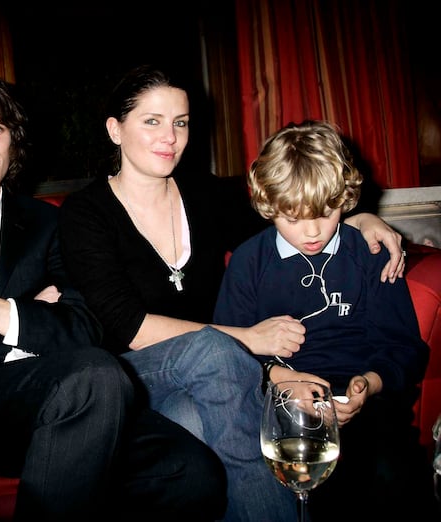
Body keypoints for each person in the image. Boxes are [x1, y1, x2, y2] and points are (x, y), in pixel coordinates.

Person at [0, 70, 228, 522]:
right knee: (96, 374)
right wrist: (30, 318)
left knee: (193, 473)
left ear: (12, 142)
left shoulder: (45, 223)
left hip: (55, 396)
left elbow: (86, 326)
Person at [57, 64, 407, 521]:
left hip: (218, 379)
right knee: (213, 359)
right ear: (114, 129)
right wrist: (247, 339)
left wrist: (360, 219)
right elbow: (129, 327)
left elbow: (293, 208)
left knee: (200, 434)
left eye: (180, 122)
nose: (170, 136)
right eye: (152, 121)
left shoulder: (205, 195)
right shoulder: (86, 214)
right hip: (134, 374)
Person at [213, 119, 439, 520]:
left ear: (346, 199)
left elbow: (404, 348)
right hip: (276, 401)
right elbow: (226, 355)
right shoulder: (250, 261)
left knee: (393, 478)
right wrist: (280, 381)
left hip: (366, 406)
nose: (313, 231)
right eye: (293, 218)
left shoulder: (367, 252)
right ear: (269, 206)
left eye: (326, 211)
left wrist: (368, 384)